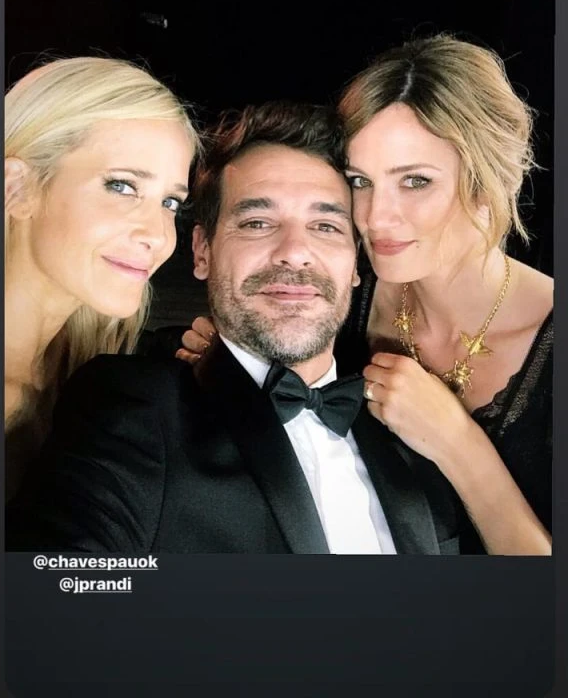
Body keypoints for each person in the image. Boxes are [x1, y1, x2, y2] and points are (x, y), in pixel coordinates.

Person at [6, 102, 460, 554]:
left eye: (325, 226)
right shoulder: (131, 407)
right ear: (202, 251)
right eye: (257, 223)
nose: (295, 252)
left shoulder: (415, 433)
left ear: (356, 265)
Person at [181, 36, 552, 556]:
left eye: (415, 181)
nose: (375, 217)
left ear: (488, 182)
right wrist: (243, 356)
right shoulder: (343, 290)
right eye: (360, 181)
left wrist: (460, 446)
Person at [5, 56, 198, 497]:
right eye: (122, 186)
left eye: (170, 202)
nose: (158, 235)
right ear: (17, 188)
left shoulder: (99, 366)